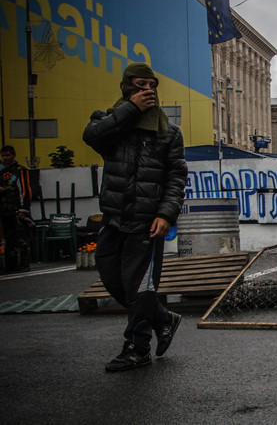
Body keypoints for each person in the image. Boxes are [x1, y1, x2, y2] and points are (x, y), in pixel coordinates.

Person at [83, 62, 187, 372]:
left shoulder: (168, 132)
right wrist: (129, 109)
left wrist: (167, 214)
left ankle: (137, 348)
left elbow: (176, 177)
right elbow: (92, 137)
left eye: (152, 86)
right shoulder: (111, 122)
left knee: (139, 286)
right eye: (141, 85)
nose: (148, 91)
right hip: (113, 217)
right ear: (127, 87)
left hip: (147, 223)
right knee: (112, 278)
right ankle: (164, 318)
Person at [0, 146, 33, 273]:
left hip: (17, 210)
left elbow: (25, 190)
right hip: (4, 210)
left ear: (14, 155)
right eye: (3, 156)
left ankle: (24, 263)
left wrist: (23, 209)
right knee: (9, 239)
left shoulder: (20, 170)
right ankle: (10, 265)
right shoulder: (1, 173)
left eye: (8, 155)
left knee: (21, 238)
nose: (5, 158)